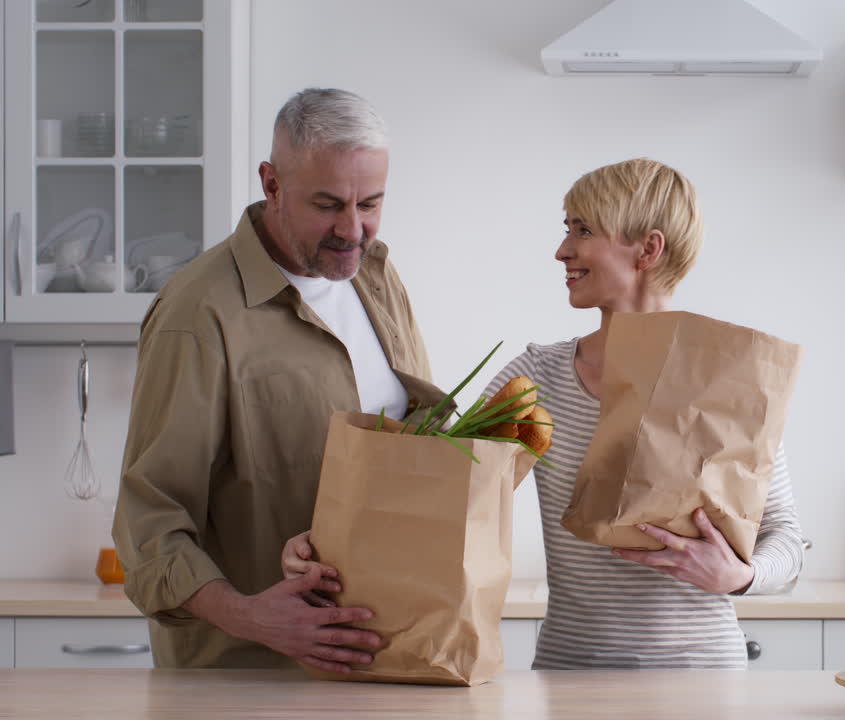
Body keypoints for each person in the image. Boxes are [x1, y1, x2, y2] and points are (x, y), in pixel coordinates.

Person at [284, 157, 804, 668]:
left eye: (583, 230)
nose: (562, 250)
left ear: (648, 249)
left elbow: (785, 535)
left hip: (706, 677)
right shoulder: (538, 377)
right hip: (570, 673)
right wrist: (327, 543)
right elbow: (438, 494)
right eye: (567, 228)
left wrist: (741, 576)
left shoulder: (726, 380)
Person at [113, 88, 447, 672]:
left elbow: (411, 447)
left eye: (370, 203)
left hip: (386, 660)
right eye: (327, 204)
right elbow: (150, 523)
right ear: (271, 184)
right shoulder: (198, 313)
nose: (353, 230)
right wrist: (251, 616)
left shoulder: (377, 277)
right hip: (248, 676)